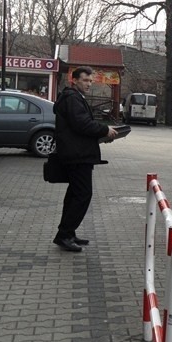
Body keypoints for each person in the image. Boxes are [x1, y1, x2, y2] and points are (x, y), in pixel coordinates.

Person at [53, 66, 118, 252]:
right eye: (85, 80)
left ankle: (67, 232)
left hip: (77, 153)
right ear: (74, 80)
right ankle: (64, 234)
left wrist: (99, 137)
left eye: (91, 81)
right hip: (77, 155)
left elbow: (78, 127)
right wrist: (104, 130)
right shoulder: (72, 98)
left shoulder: (74, 97)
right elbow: (81, 123)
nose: (89, 84)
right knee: (82, 195)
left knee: (74, 194)